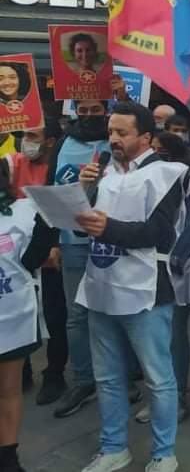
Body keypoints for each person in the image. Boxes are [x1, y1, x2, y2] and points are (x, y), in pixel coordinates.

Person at [75, 102, 187, 472]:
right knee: (107, 376)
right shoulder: (103, 172)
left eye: (122, 133)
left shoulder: (166, 174)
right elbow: (83, 225)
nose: (113, 139)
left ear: (146, 137)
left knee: (158, 378)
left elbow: (159, 233)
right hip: (101, 284)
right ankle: (113, 448)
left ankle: (164, 452)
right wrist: (82, 191)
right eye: (111, 132)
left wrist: (107, 228)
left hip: (146, 290)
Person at [40, 100, 111, 419]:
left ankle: (119, 375)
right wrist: (52, 241)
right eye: (83, 109)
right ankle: (83, 380)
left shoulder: (116, 139)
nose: (89, 115)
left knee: (115, 313)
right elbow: (50, 190)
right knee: (77, 315)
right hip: (72, 243)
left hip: (112, 242)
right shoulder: (64, 142)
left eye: (96, 109)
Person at [134, 131, 190, 427]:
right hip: (142, 267)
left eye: (160, 151)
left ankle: (177, 396)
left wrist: (176, 260)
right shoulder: (138, 179)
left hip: (176, 270)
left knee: (174, 334)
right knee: (150, 337)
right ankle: (158, 395)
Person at [4, 121, 67, 406]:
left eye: (33, 136)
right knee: (19, 312)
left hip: (49, 247)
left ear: (50, 141)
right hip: (15, 253)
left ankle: (54, 372)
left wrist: (55, 245)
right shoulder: (14, 163)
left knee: (53, 313)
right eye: (25, 135)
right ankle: (22, 369)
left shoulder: (60, 167)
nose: (26, 141)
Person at [0, 160, 56, 472]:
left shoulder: (22, 211)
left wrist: (51, 221)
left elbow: (33, 258)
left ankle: (8, 458)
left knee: (8, 392)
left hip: (12, 318)